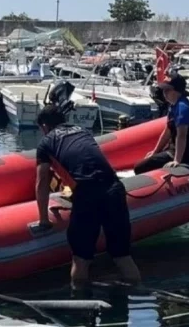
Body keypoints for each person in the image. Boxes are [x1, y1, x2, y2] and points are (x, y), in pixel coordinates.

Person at [35, 106, 140, 284]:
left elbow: (41, 181)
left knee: (81, 259)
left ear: (44, 126)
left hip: (88, 194)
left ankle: (80, 304)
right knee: (122, 255)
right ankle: (133, 295)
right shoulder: (82, 132)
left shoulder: (46, 143)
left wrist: (44, 219)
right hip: (114, 188)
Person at [135, 73, 189, 174]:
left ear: (177, 91)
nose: (164, 93)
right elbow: (167, 131)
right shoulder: (173, 106)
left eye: (167, 90)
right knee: (147, 160)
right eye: (163, 90)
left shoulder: (183, 108)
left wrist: (177, 160)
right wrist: (155, 151)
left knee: (139, 167)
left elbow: (182, 135)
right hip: (172, 149)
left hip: (188, 153)